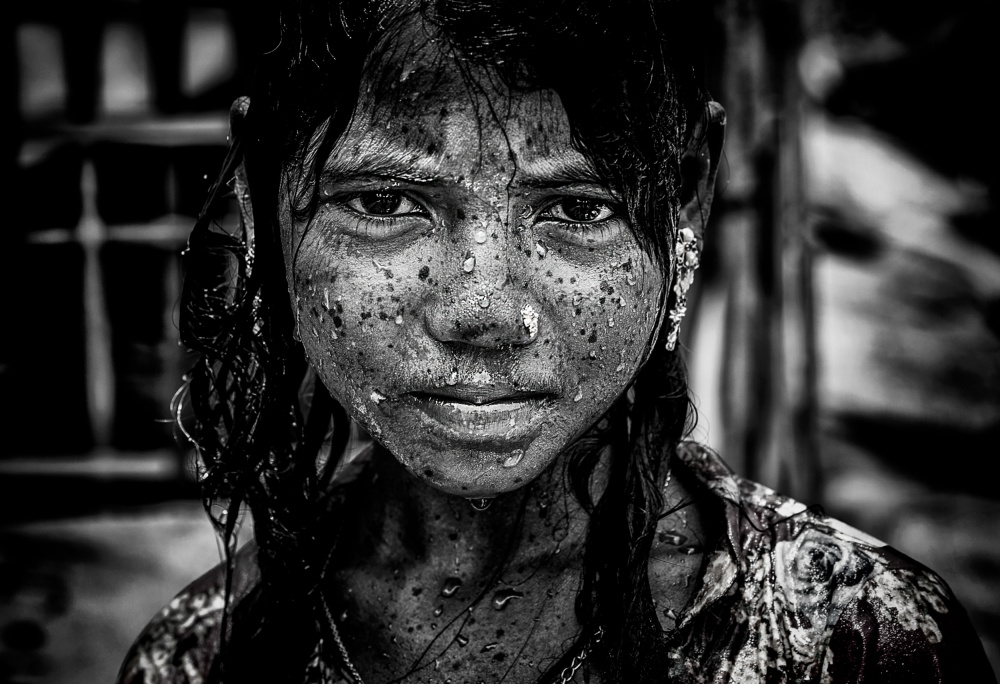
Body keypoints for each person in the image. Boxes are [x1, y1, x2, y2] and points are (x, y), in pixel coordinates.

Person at [118, 1, 995, 682]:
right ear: (263, 190)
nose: (484, 310)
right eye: (384, 202)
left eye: (577, 208)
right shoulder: (200, 660)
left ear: (688, 194)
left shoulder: (854, 640)